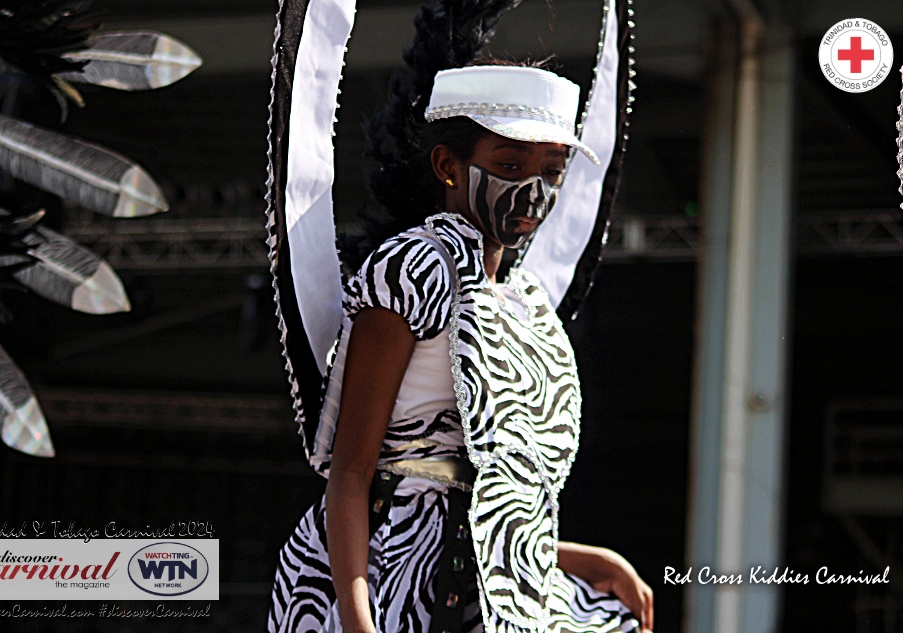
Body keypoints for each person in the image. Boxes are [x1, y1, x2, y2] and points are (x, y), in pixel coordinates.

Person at [268, 63, 653, 633]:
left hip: (487, 590)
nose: (533, 189)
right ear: (449, 166)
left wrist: (575, 558)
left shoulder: (525, 299)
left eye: (552, 170)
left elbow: (485, 505)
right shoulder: (414, 267)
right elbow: (351, 471)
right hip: (392, 583)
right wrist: (358, 626)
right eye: (508, 166)